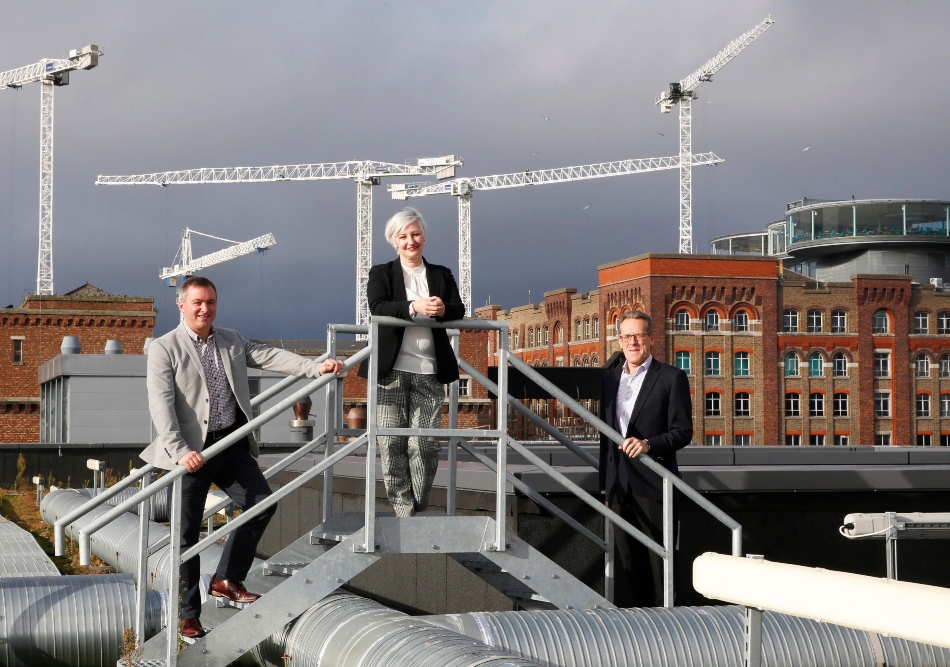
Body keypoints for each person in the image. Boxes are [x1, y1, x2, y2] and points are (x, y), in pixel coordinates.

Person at [140, 275, 343, 639]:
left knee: (262, 503)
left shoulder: (230, 339)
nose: (206, 309)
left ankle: (226, 578)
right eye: (198, 302)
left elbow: (268, 356)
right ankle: (188, 615)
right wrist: (180, 450)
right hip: (190, 454)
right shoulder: (164, 347)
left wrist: (315, 366)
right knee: (186, 536)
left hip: (231, 445)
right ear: (182, 305)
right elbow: (161, 405)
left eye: (211, 302)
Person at [358, 207, 465, 517]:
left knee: (425, 444)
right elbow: (377, 306)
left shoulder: (441, 274)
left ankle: (418, 506)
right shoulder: (381, 273)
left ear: (424, 237)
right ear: (394, 241)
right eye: (403, 236)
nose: (410, 241)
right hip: (390, 371)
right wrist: (414, 306)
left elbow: (458, 308)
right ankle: (403, 510)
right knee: (391, 443)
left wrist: (441, 309)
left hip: (428, 371)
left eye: (415, 234)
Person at [599, 310, 692, 607]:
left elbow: (683, 431)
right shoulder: (610, 380)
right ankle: (634, 629)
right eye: (627, 336)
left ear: (651, 338)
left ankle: (666, 628)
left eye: (639, 335)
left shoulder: (671, 378)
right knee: (627, 563)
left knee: (660, 565)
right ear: (619, 341)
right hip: (619, 487)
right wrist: (605, 487)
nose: (633, 342)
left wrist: (650, 444)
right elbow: (606, 436)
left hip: (655, 486)